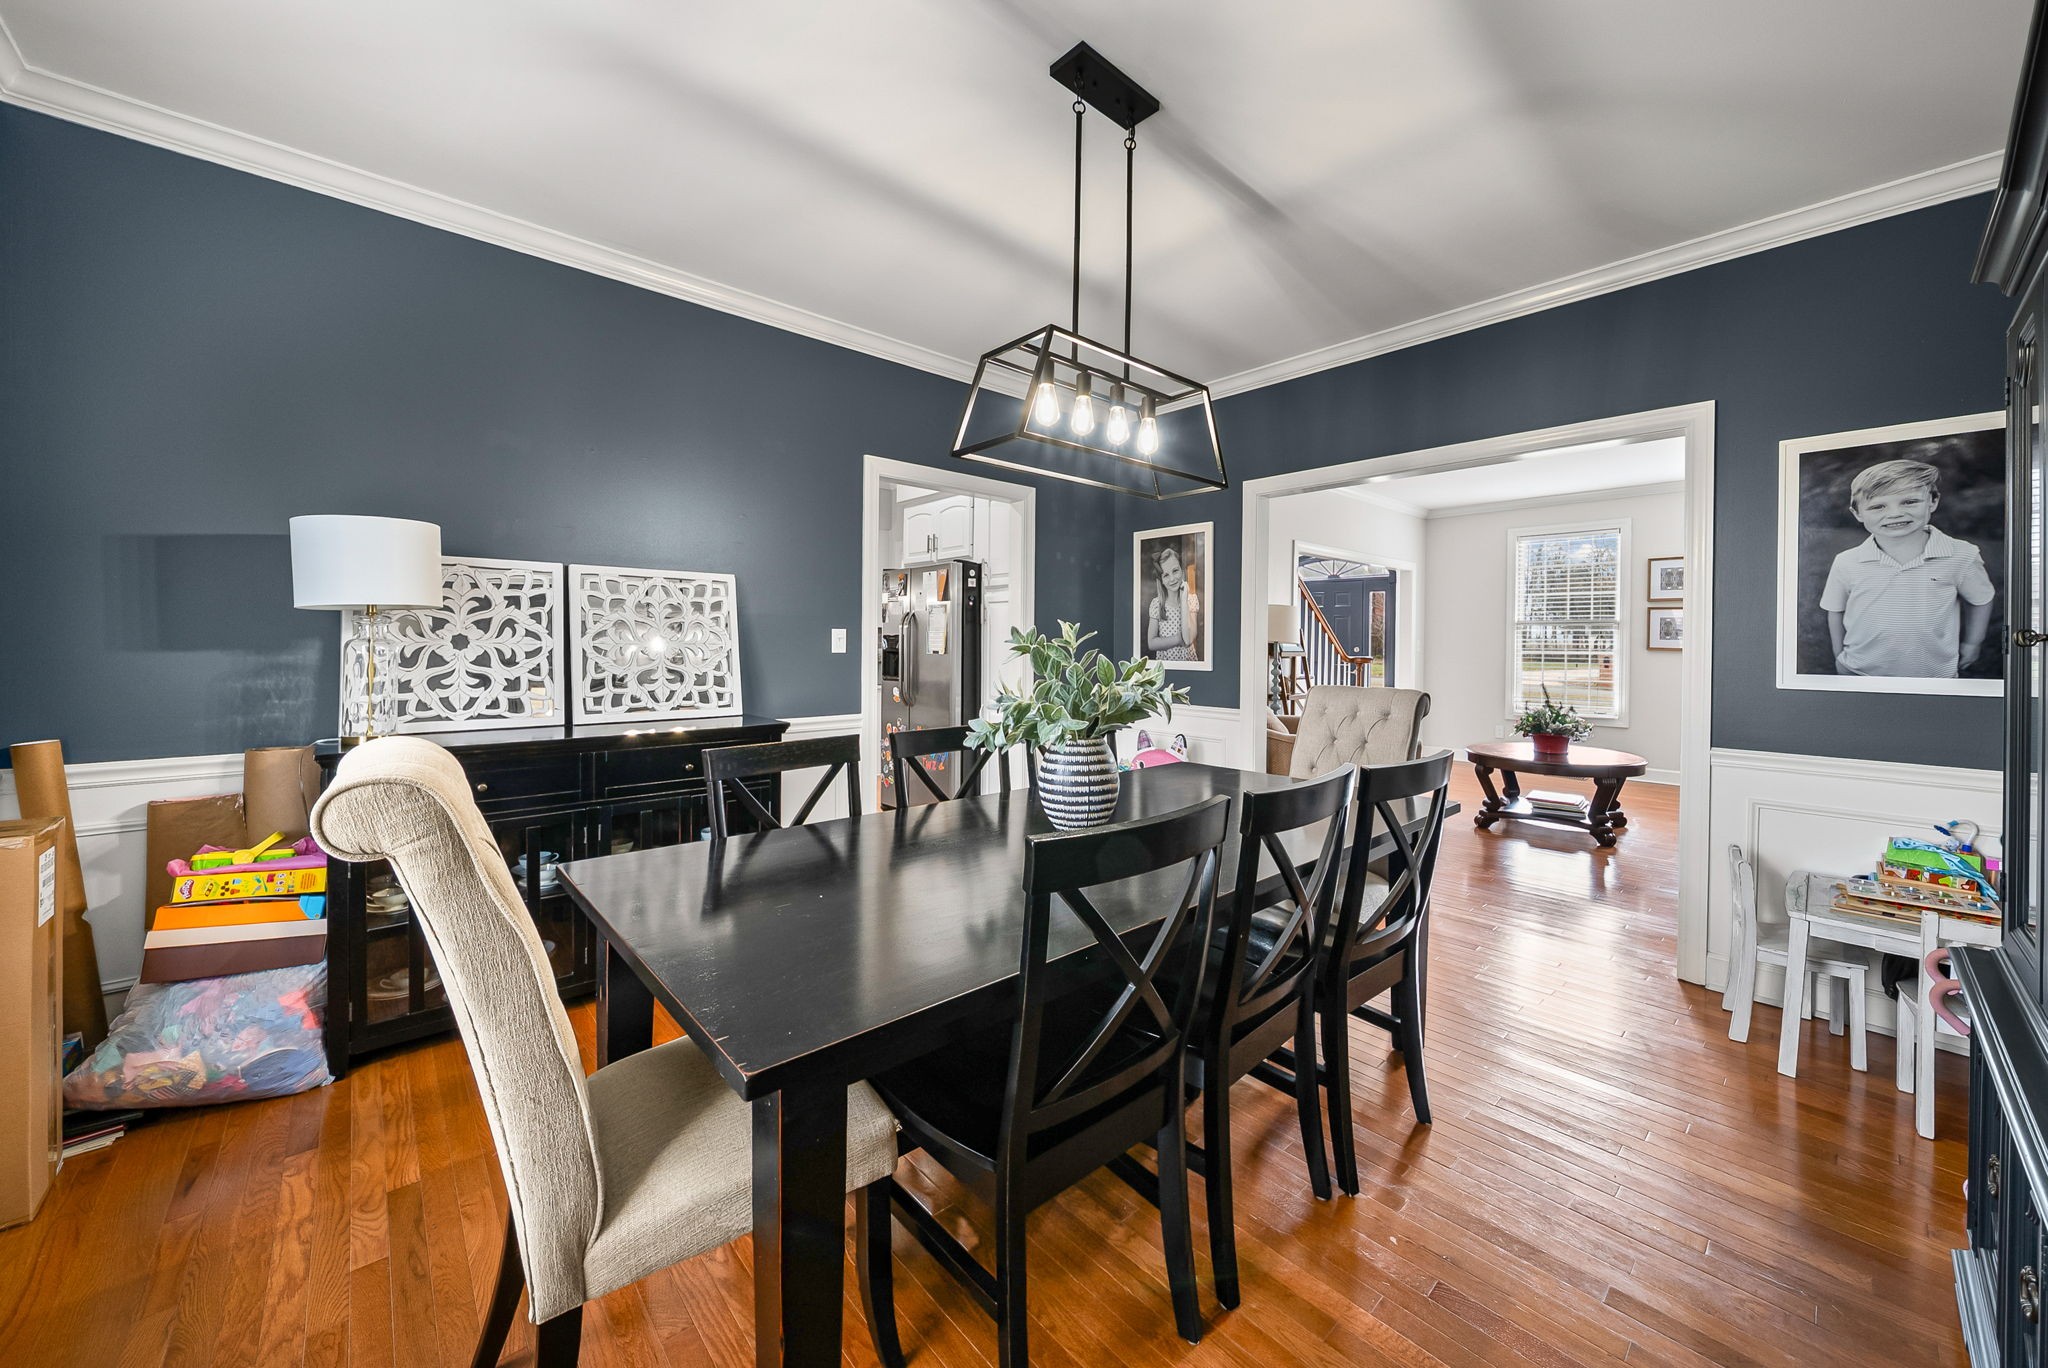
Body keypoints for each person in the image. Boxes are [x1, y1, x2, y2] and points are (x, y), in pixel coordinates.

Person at [1819, 457, 1995, 678]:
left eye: (1909, 502)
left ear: (1933, 501)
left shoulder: (1961, 555)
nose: (1895, 513)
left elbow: (1981, 599)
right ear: (1858, 513)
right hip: (1860, 672)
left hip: (1934, 674)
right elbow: (1835, 610)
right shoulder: (1847, 561)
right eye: (1878, 506)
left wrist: (1972, 643)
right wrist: (1839, 655)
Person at [1144, 543, 1199, 662]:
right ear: (1161, 581)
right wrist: (1178, 639)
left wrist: (1184, 601)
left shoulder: (1191, 600)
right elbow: (1152, 643)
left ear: (1182, 571)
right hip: (1167, 664)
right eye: (1166, 575)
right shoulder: (1157, 604)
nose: (1172, 579)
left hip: (1189, 663)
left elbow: (1188, 640)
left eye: (1175, 571)